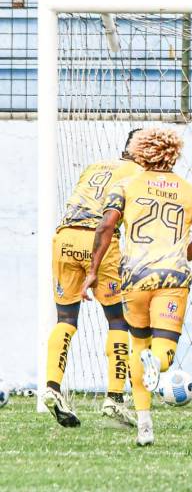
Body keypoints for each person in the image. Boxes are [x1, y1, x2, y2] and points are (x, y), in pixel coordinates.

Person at [82, 128, 192, 446]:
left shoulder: (125, 186)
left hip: (134, 278)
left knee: (138, 347)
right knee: (162, 354)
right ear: (174, 153)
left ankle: (144, 427)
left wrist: (93, 270)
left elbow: (106, 225)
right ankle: (157, 363)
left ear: (140, 152)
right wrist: (180, 257)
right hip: (172, 278)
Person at [43, 129, 143, 429]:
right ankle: (114, 397)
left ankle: (52, 387)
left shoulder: (95, 166)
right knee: (117, 320)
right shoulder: (139, 175)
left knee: (65, 319)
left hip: (65, 238)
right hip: (99, 240)